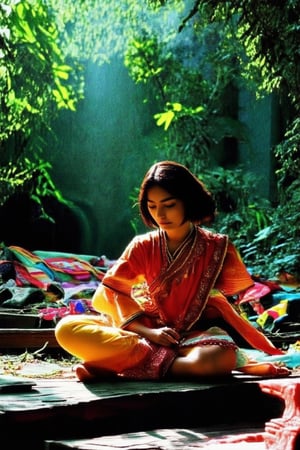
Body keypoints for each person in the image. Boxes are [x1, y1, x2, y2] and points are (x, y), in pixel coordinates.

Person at [55, 161, 290, 382]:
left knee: (219, 357)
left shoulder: (218, 248)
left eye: (169, 205)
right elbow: (108, 294)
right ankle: (143, 365)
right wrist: (150, 332)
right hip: (142, 335)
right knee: (66, 329)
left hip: (189, 338)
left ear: (189, 201)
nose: (160, 215)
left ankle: (112, 366)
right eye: (152, 206)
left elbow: (230, 305)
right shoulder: (142, 246)